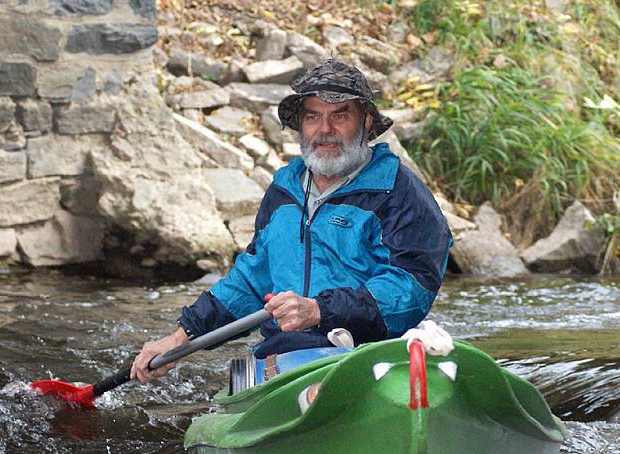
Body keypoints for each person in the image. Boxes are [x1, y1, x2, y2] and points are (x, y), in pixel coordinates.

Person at [131, 59, 452, 383]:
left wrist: (320, 310)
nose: (325, 129)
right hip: (286, 359)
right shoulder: (284, 190)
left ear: (367, 122)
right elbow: (250, 281)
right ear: (301, 124)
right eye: (313, 116)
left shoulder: (398, 190)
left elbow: (413, 287)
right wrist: (180, 336)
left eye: (340, 115)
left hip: (369, 357)